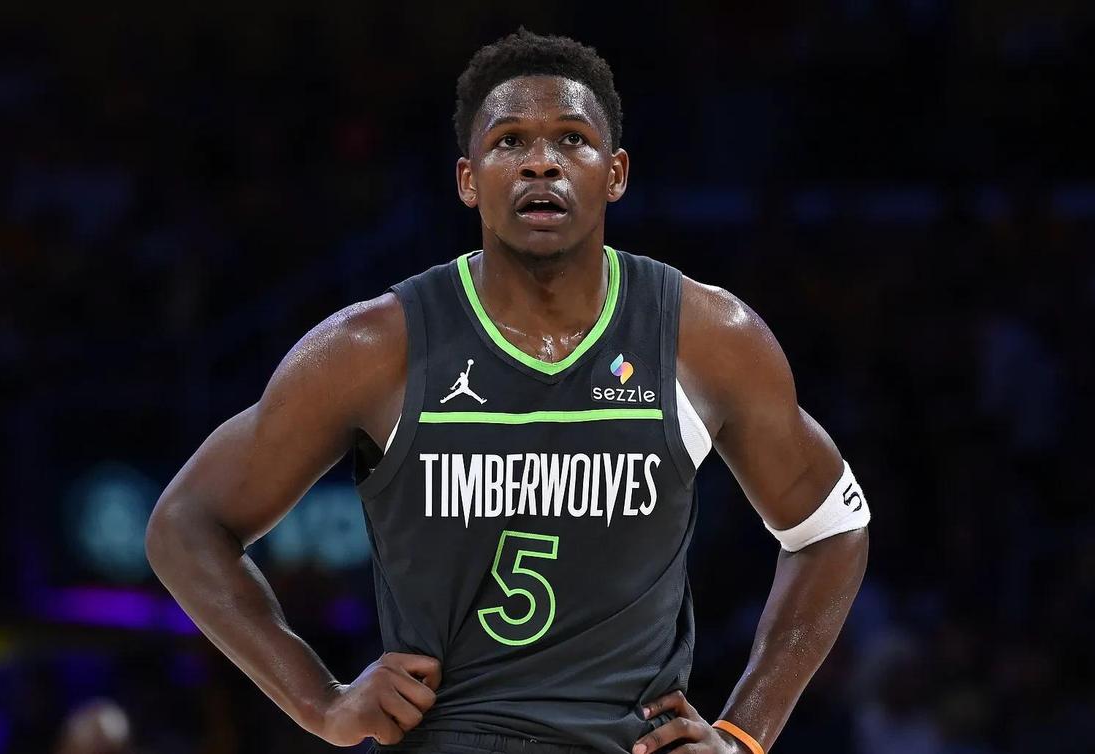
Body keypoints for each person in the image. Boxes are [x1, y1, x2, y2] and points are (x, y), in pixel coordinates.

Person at [146, 28, 870, 754]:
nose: (541, 162)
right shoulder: (373, 348)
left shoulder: (706, 338)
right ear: (468, 181)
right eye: (509, 141)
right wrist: (320, 702)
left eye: (573, 139)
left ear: (615, 173)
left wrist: (743, 735)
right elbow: (185, 524)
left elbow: (832, 529)